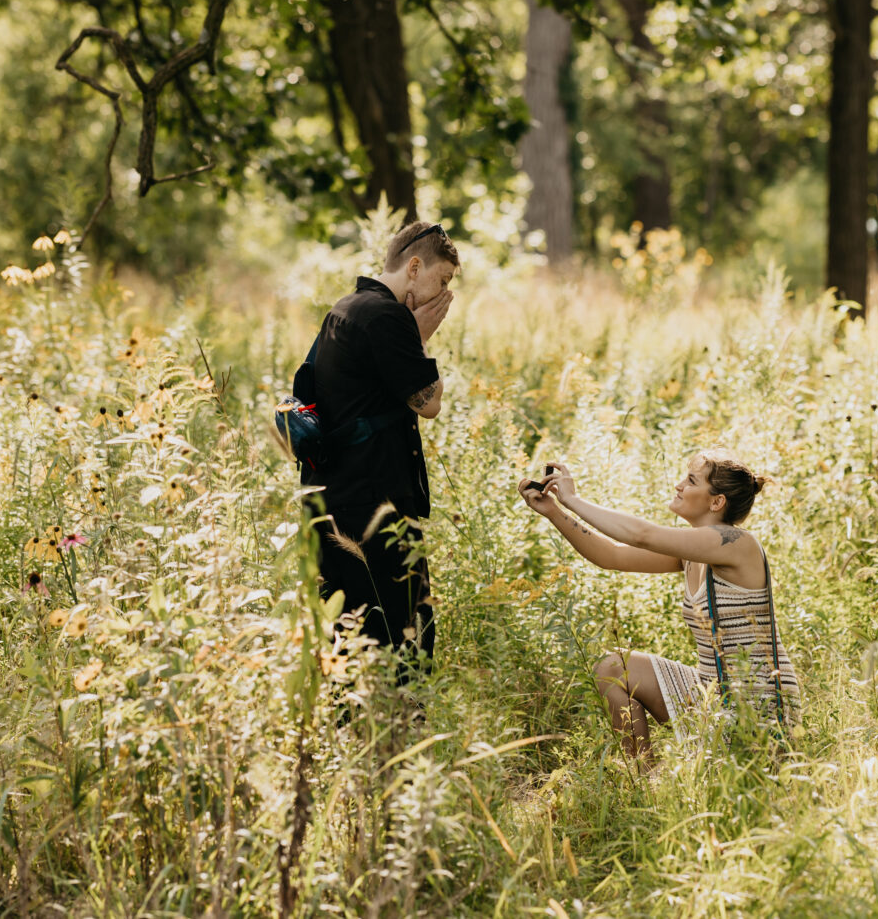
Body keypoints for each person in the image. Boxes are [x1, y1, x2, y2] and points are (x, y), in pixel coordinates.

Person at [518, 452, 800, 762]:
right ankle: (644, 784)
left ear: (716, 502)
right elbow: (612, 556)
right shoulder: (693, 550)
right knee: (612, 668)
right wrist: (553, 511)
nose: (679, 486)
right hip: (711, 691)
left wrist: (572, 499)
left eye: (691, 481)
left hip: (758, 703)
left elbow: (642, 535)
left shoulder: (736, 543)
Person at [307, 221, 458, 664]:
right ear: (414, 266)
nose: (443, 294)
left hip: (334, 496)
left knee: (348, 631)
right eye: (442, 280)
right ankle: (401, 728)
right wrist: (422, 339)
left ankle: (354, 731)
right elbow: (428, 403)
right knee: (404, 630)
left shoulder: (346, 306)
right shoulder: (388, 317)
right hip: (378, 508)